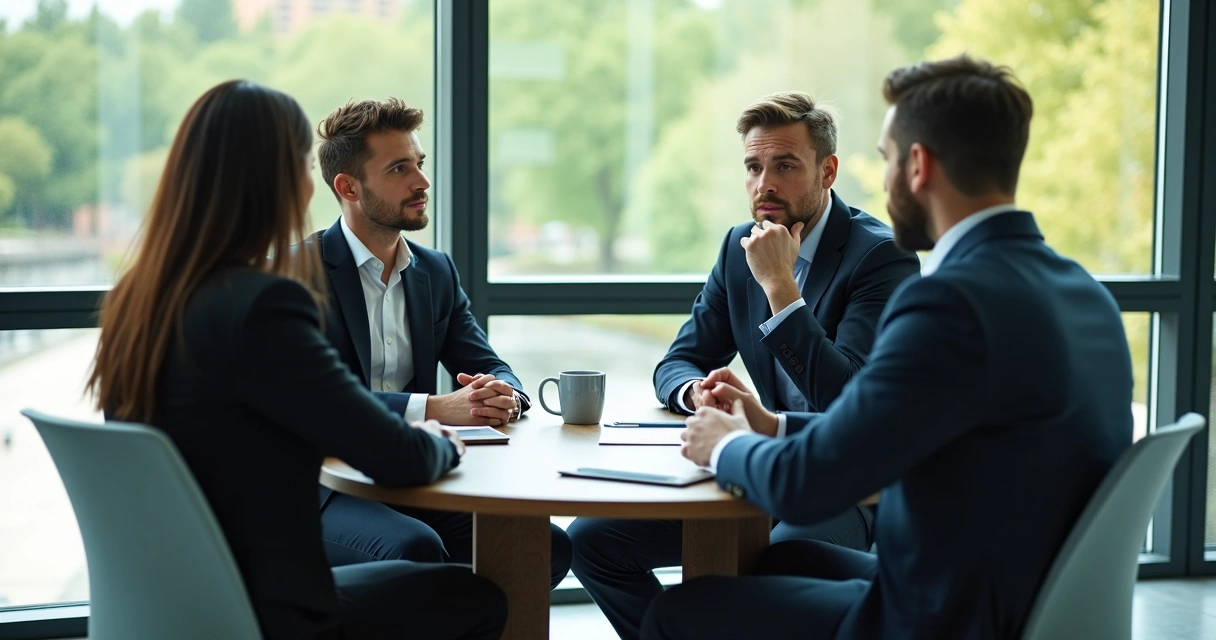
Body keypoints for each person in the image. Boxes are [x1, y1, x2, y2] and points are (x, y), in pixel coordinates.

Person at [641, 54, 1134, 640]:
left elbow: (814, 482)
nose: (882, 182)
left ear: (917, 165)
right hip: (1011, 599)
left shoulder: (950, 306)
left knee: (676, 614)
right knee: (780, 563)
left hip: (936, 617)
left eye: (886, 160)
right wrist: (770, 426)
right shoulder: (1087, 294)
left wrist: (725, 447)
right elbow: (876, 427)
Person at [86, 80, 506, 640]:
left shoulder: (140, 296)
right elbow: (392, 452)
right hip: (268, 603)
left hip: (175, 595)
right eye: (301, 164)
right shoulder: (265, 301)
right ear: (274, 178)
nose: (307, 181)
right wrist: (441, 436)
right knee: (476, 598)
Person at [566, 91, 920, 640]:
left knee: (778, 561)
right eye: (753, 167)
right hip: (755, 460)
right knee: (592, 540)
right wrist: (697, 393)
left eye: (785, 166)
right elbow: (679, 361)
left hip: (844, 479)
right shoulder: (739, 247)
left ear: (828, 170)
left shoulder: (881, 257)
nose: (764, 185)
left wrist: (781, 288)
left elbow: (848, 402)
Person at [309, 98, 571, 587]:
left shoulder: (436, 271)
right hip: (322, 486)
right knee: (415, 549)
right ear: (348, 187)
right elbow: (315, 402)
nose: (422, 182)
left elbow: (490, 364)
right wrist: (432, 408)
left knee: (544, 546)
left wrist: (501, 397)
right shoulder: (299, 273)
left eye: (420, 164)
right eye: (399, 168)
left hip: (412, 474)